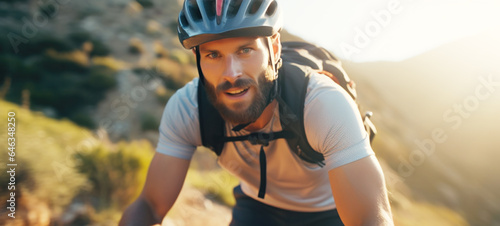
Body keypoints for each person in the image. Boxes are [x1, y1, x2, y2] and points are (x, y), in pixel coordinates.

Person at [120, 0, 393, 225]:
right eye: (213, 55)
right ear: (198, 61)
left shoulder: (322, 103)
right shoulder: (189, 109)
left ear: (274, 48)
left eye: (245, 50)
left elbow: (370, 220)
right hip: (257, 210)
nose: (231, 74)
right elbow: (150, 206)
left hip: (332, 214)